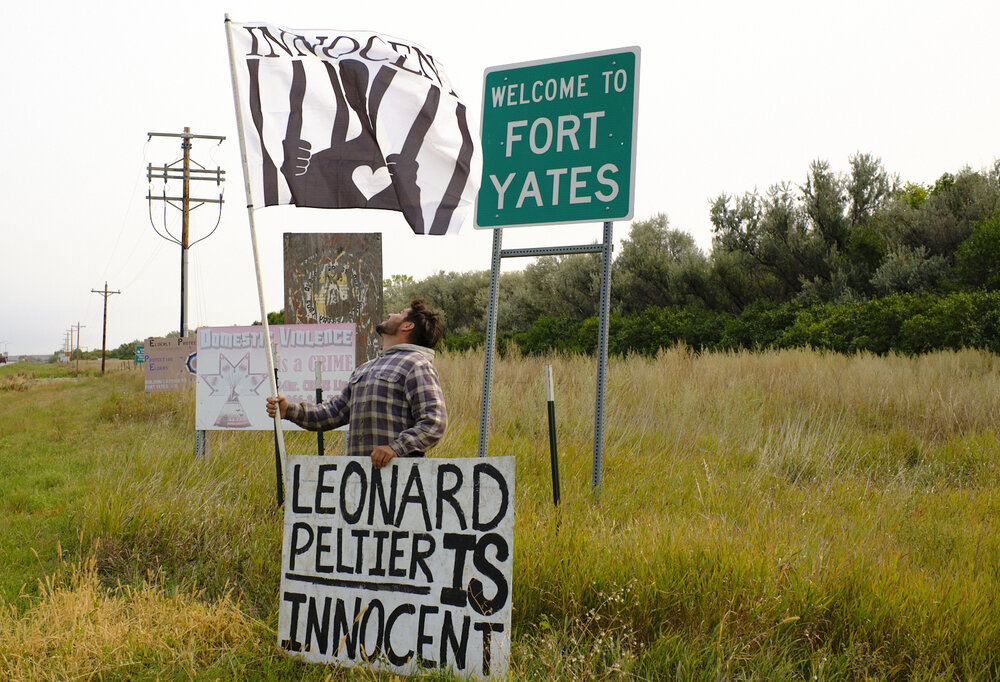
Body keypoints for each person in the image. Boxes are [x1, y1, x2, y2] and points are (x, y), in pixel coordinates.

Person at [266, 298, 446, 469]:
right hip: (359, 483)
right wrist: (289, 410)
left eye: (400, 313)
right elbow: (333, 413)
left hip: (399, 484)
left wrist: (395, 448)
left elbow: (434, 422)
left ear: (408, 326)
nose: (391, 314)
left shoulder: (417, 364)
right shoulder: (365, 368)